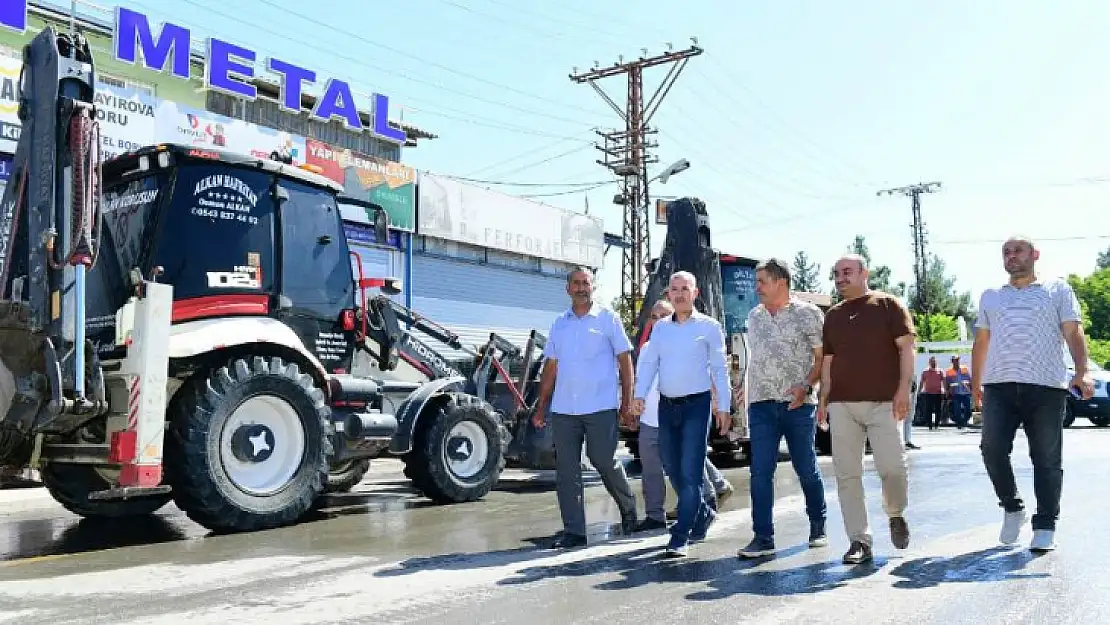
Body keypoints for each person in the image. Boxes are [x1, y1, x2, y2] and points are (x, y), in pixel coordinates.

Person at [971, 236, 1094, 553]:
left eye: (1018, 251)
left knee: (1046, 458)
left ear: (1035, 255)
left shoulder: (1057, 290)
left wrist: (1082, 371)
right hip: (999, 386)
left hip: (1046, 387)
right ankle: (1012, 507)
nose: (1012, 257)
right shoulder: (991, 296)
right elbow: (981, 343)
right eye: (1006, 252)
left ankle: (1045, 525)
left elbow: (1072, 330)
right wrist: (976, 388)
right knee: (991, 448)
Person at [818, 254, 915, 564]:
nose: (840, 278)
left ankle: (895, 513)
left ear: (864, 273)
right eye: (836, 273)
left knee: (893, 468)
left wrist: (903, 389)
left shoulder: (888, 305)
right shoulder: (832, 315)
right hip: (842, 404)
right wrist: (823, 399)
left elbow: (906, 349)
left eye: (847, 272)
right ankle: (859, 540)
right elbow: (829, 361)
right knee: (847, 474)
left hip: (883, 402)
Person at [533, 266, 640, 548]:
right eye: (576, 283)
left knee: (603, 460)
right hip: (565, 408)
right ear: (567, 288)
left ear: (593, 287)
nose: (582, 288)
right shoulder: (559, 324)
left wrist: (626, 401)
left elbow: (625, 361)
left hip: (600, 405)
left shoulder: (608, 319)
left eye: (586, 283)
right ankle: (575, 532)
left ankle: (628, 508)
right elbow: (551, 367)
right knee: (567, 471)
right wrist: (541, 406)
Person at [632, 271, 732, 557]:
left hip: (696, 408)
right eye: (673, 289)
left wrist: (723, 406)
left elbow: (719, 369)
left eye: (684, 289)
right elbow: (650, 363)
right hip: (667, 407)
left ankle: (679, 536)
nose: (678, 294)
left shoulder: (709, 327)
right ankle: (703, 515)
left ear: (695, 293)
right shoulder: (661, 328)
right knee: (673, 470)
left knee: (690, 474)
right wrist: (639, 396)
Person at [736, 258, 829, 558]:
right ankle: (763, 537)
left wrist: (806, 386)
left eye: (762, 281)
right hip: (761, 406)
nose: (757, 287)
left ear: (781, 282)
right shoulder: (754, 317)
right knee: (760, 472)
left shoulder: (808, 313)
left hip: (798, 405)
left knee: (806, 468)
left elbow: (822, 358)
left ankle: (818, 524)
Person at [919, 356, 946, 430]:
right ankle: (930, 425)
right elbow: (922, 382)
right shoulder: (925, 372)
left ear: (936, 363)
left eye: (934, 362)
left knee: (938, 410)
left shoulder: (940, 371)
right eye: (932, 362)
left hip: (938, 393)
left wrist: (945, 390)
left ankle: (937, 424)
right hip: (928, 393)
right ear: (929, 362)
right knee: (928, 409)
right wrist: (919, 391)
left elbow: (944, 381)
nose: (933, 363)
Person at [946, 355, 973, 429]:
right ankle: (959, 423)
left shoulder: (964, 369)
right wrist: (947, 392)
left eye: (958, 360)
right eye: (955, 360)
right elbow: (947, 383)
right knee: (957, 409)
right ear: (952, 361)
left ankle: (965, 421)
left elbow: (970, 380)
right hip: (956, 393)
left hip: (965, 392)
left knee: (968, 409)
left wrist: (970, 388)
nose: (957, 361)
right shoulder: (949, 371)